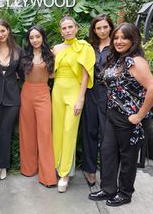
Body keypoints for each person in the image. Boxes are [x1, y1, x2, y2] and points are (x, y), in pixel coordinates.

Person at [88, 23, 153, 206]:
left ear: (133, 40)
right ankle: (108, 188)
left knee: (127, 157)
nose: (119, 41)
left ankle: (125, 193)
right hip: (112, 113)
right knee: (107, 152)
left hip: (129, 117)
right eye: (116, 38)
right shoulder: (118, 58)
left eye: (124, 38)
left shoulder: (135, 61)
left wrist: (138, 116)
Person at [52, 15, 95, 192]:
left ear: (76, 28)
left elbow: (86, 75)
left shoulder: (85, 47)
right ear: (60, 31)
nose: (68, 30)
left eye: (70, 27)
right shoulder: (55, 48)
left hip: (74, 92)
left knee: (69, 131)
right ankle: (55, 167)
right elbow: (50, 73)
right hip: (57, 92)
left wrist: (81, 98)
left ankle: (64, 174)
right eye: (64, 28)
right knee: (58, 131)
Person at [19, 25, 57, 188]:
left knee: (44, 134)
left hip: (43, 93)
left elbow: (53, 75)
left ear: (43, 37)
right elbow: (19, 75)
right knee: (26, 132)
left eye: (37, 36)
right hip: (26, 93)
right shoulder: (24, 56)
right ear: (28, 40)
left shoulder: (51, 55)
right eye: (31, 37)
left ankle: (48, 176)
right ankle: (28, 169)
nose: (35, 40)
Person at [81, 14, 114, 186]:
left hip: (109, 95)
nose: (102, 31)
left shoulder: (117, 46)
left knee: (107, 135)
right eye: (98, 28)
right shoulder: (89, 47)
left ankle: (108, 173)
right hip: (91, 93)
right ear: (94, 29)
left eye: (105, 27)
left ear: (110, 27)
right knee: (90, 132)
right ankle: (90, 169)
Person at [0, 19, 22, 185]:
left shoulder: (18, 51)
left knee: (6, 131)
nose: (0, 34)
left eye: (3, 31)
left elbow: (24, 73)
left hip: (12, 98)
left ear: (8, 30)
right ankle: (2, 166)